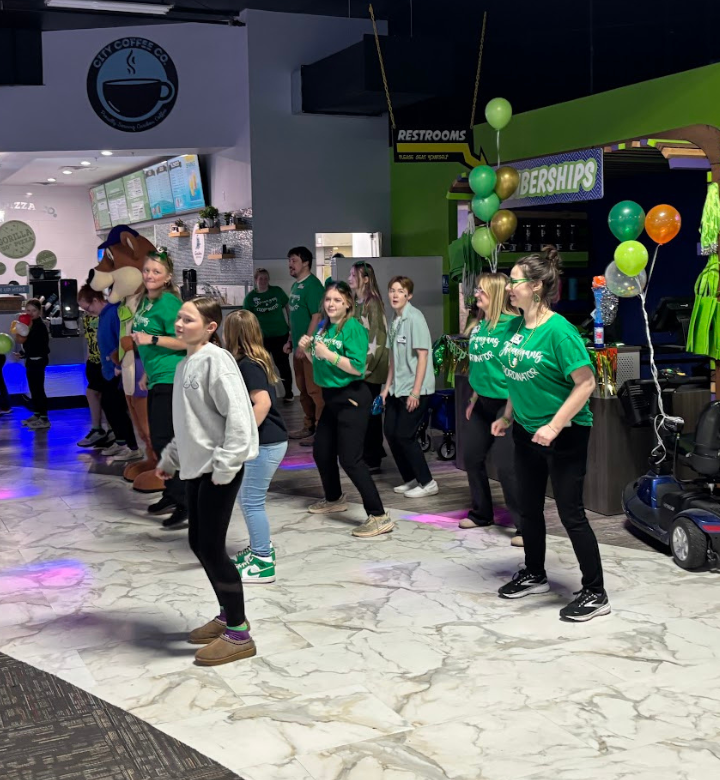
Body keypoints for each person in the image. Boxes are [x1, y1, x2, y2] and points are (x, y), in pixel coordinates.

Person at [490, 246, 609, 622]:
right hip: (526, 431)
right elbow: (517, 377)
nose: (509, 287)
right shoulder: (514, 328)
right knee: (528, 507)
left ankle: (595, 592)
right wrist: (507, 416)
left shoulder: (560, 332)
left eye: (515, 281)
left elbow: (586, 383)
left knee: (571, 513)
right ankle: (534, 572)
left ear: (537, 286)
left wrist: (554, 425)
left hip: (566, 433)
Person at [156, 297, 259, 666]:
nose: (179, 324)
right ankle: (227, 615)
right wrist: (171, 457)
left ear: (211, 326)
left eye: (189, 319)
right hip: (198, 468)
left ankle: (239, 634)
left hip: (219, 470)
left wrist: (225, 467)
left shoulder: (218, 361)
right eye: (179, 318)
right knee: (199, 542)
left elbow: (240, 419)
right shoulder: (185, 364)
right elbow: (190, 423)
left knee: (213, 548)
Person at [299, 281, 393, 539]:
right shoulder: (324, 326)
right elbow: (319, 361)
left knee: (350, 459)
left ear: (348, 304)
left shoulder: (353, 328)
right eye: (328, 299)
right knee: (322, 451)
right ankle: (334, 498)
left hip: (351, 397)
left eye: (337, 300)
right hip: (332, 398)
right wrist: (309, 351)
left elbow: (357, 367)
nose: (331, 304)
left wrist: (327, 353)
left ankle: (379, 516)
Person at [224, 310, 288, 583]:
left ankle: (262, 562)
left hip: (267, 443)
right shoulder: (255, 359)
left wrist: (243, 437)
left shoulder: (249, 364)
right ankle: (259, 549)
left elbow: (262, 403)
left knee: (251, 502)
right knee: (248, 499)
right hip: (269, 441)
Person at [460, 273, 523, 546]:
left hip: (508, 404)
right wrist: (474, 398)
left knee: (506, 465)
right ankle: (482, 513)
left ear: (496, 294)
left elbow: (519, 369)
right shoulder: (479, 325)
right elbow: (480, 366)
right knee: (471, 457)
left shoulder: (514, 325)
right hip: (482, 402)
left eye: (481, 291)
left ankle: (525, 526)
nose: (476, 294)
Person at [132, 251, 187, 527]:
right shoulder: (146, 300)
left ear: (167, 277)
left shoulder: (169, 303)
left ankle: (185, 500)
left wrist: (151, 339)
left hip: (172, 377)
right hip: (157, 377)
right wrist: (146, 373)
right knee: (160, 439)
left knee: (167, 440)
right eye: (147, 270)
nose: (150, 275)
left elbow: (186, 341)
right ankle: (172, 493)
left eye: (156, 272)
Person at [380, 276, 437, 499]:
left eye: (400, 291)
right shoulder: (395, 319)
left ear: (409, 295)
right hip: (397, 388)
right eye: (392, 290)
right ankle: (411, 478)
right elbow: (393, 359)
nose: (395, 295)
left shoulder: (415, 318)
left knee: (405, 435)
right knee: (390, 432)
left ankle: (428, 482)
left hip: (416, 390)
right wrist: (386, 388)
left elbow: (423, 356)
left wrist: (415, 392)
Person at [77, 285, 141, 464]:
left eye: (88, 308)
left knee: (116, 408)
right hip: (108, 369)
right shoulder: (104, 315)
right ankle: (121, 442)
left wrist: (118, 363)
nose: (88, 312)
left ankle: (132, 447)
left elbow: (121, 339)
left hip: (115, 369)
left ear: (96, 300)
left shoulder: (113, 313)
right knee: (109, 406)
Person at [348, 261, 388, 473]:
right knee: (361, 413)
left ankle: (373, 457)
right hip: (358, 367)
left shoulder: (372, 303)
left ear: (365, 279)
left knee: (371, 414)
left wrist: (365, 368)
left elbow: (378, 338)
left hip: (369, 369)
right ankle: (367, 453)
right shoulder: (356, 303)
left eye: (353, 275)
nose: (349, 279)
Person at [285, 247, 325, 446]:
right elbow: (296, 318)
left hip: (310, 349)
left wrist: (305, 343)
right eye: (289, 261)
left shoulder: (314, 286)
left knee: (315, 390)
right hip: (298, 348)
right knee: (303, 389)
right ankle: (308, 426)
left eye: (294, 260)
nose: (290, 265)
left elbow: (317, 317)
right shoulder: (295, 286)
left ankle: (321, 430)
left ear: (306, 262)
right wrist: (291, 340)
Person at [243, 268, 293, 403]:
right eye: (261, 279)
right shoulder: (250, 298)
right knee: (261, 366)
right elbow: (246, 318)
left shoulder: (277, 291)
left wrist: (291, 323)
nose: (263, 281)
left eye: (266, 278)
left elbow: (287, 306)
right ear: (256, 280)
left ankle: (289, 393)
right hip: (261, 338)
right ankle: (263, 396)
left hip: (280, 335)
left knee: (283, 365)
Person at [77, 306, 110, 448]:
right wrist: (89, 356)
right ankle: (99, 429)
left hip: (105, 360)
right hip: (93, 361)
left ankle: (106, 431)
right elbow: (89, 338)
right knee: (94, 393)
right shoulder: (86, 317)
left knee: (102, 395)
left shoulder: (107, 314)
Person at [17, 299, 50, 430]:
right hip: (31, 361)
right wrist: (22, 354)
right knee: (33, 389)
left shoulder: (40, 326)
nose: (30, 313)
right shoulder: (28, 324)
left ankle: (44, 418)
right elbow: (28, 344)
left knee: (38, 390)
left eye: (34, 310)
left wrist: (26, 353)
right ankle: (37, 414)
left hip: (38, 361)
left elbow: (39, 346)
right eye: (28, 310)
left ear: (39, 311)